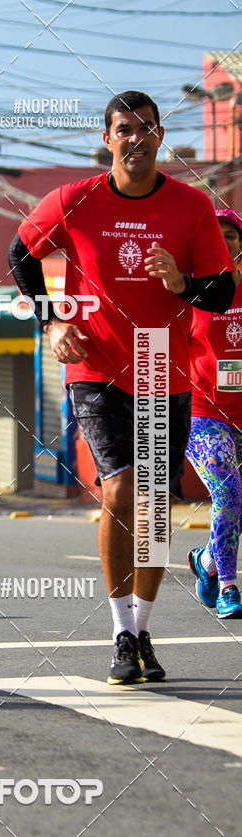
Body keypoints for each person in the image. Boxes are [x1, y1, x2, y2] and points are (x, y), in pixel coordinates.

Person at [9, 90, 235, 685]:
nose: (135, 138)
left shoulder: (191, 207)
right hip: (99, 364)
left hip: (165, 364)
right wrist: (53, 319)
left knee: (156, 503)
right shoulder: (74, 200)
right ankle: (119, 631)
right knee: (123, 490)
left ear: (160, 136)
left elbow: (220, 292)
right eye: (123, 129)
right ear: (108, 139)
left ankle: (144, 628)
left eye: (145, 128)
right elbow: (19, 253)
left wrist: (181, 282)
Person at [187, 208, 242, 619]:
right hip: (203, 411)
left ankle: (206, 561)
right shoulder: (189, 293)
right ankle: (228, 586)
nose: (226, 242)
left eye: (233, 235)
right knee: (228, 490)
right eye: (217, 236)